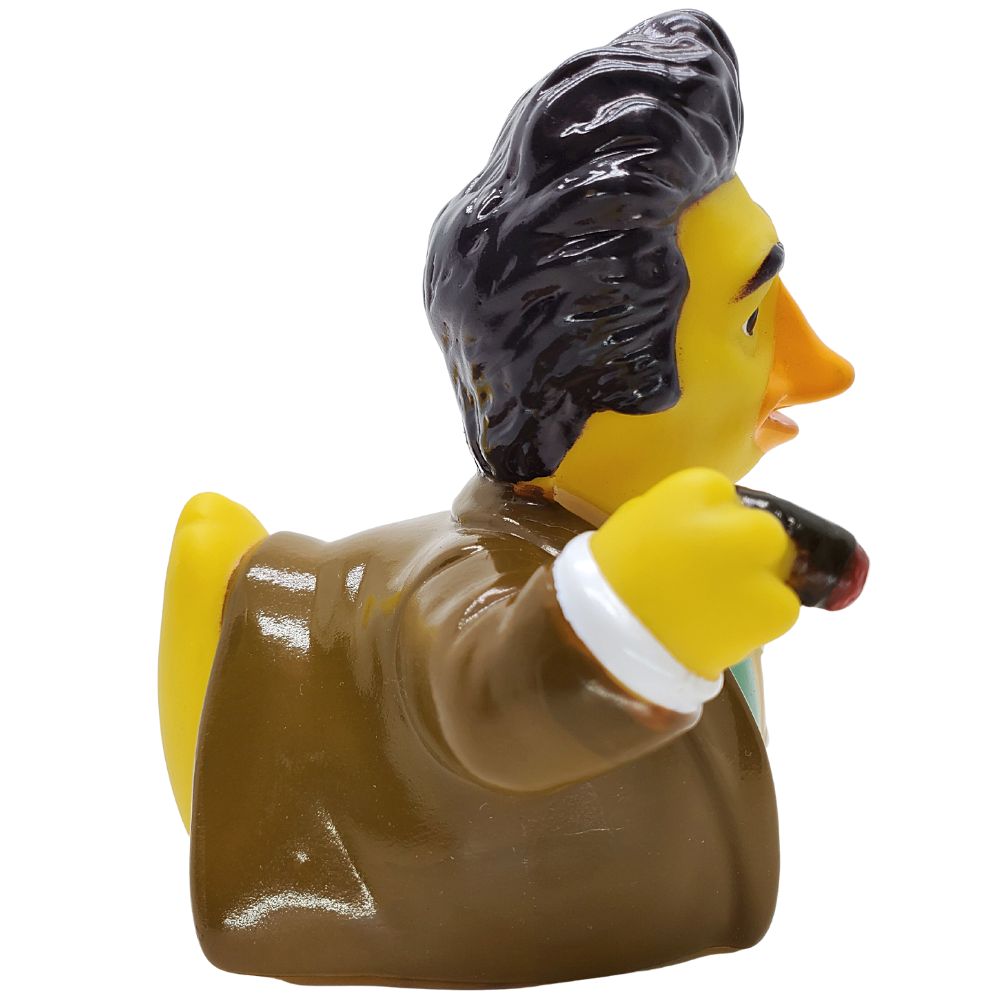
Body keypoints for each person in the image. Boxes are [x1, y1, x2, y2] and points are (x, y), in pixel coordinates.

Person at [158, 10, 863, 987]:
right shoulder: (471, 581)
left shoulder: (684, 527)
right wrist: (631, 618)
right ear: (605, 374)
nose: (821, 369)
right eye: (751, 321)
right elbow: (493, 701)